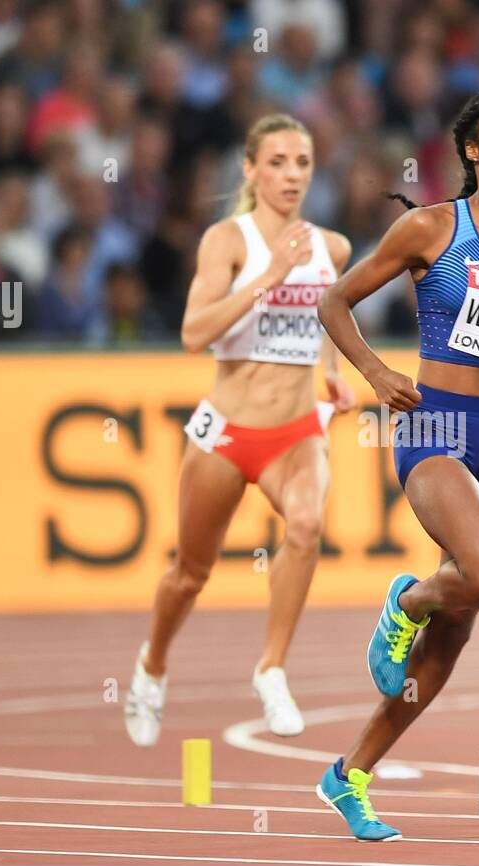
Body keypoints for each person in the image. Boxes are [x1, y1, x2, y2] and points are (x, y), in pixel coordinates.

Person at [313, 88, 479, 840]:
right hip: (438, 425)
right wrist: (373, 372)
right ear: (473, 151)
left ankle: (350, 775)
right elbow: (334, 302)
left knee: (456, 637)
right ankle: (406, 600)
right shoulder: (432, 228)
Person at [125, 114, 355, 743]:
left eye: (302, 163)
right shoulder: (228, 241)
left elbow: (325, 318)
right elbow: (193, 335)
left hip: (296, 431)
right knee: (190, 574)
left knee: (307, 526)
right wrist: (267, 279)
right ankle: (152, 666)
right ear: (250, 170)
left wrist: (334, 371)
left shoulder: (331, 248)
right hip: (227, 433)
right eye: (277, 162)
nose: (291, 175)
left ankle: (272, 668)